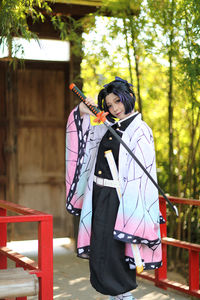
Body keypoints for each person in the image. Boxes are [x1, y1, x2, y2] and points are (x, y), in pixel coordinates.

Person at [65, 77, 163, 300]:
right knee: (100, 244)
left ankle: (123, 293)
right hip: (100, 195)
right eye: (109, 105)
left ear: (128, 98)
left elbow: (141, 175)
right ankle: (113, 294)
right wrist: (82, 110)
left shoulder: (140, 130)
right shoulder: (109, 126)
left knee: (115, 247)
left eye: (118, 101)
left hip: (121, 199)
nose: (115, 108)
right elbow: (84, 141)